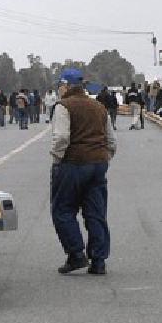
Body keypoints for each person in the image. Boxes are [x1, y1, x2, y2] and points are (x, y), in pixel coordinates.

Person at [49, 69, 115, 275]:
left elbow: (61, 138)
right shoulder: (99, 107)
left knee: (62, 210)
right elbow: (111, 140)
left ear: (66, 86)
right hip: (98, 163)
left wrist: (57, 159)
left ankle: (76, 254)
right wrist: (103, 157)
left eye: (60, 85)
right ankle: (99, 260)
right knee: (95, 212)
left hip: (73, 163)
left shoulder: (63, 106)